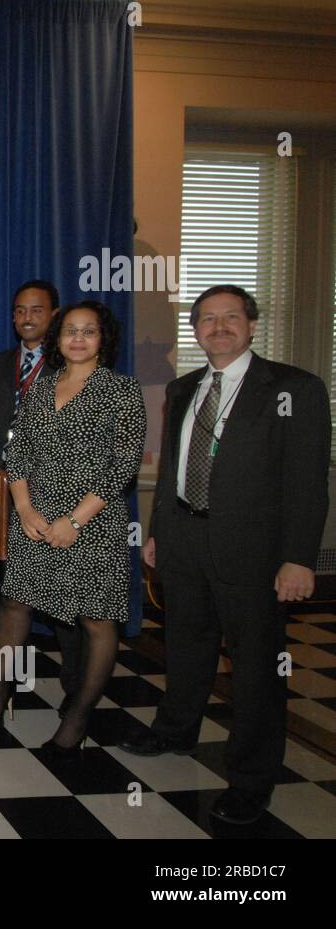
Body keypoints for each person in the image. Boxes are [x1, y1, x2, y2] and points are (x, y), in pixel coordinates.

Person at [122, 285, 330, 825]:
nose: (219, 327)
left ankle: (251, 780)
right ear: (196, 331)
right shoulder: (185, 387)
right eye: (207, 319)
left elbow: (308, 482)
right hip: (186, 540)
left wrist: (299, 558)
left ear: (252, 325)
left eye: (230, 317)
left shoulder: (293, 388)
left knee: (256, 667)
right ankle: (174, 732)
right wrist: (159, 531)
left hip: (256, 553)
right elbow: (173, 466)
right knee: (186, 645)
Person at [0, 301, 145, 761]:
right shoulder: (40, 387)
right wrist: (24, 507)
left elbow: (123, 466)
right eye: (69, 331)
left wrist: (75, 520)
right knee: (14, 603)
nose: (77, 338)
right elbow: (17, 452)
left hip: (91, 523)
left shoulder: (122, 390)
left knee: (97, 618)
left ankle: (76, 720)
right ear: (57, 339)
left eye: (88, 331)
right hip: (34, 516)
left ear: (103, 339)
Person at [0, 281, 59, 467]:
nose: (27, 318)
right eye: (20, 311)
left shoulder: (66, 366)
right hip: (0, 474)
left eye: (37, 311)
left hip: (49, 477)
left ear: (55, 315)